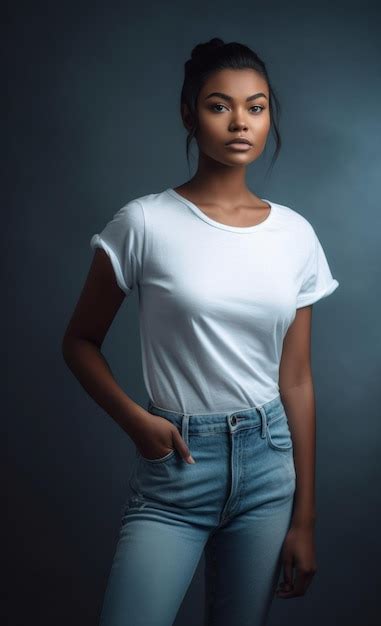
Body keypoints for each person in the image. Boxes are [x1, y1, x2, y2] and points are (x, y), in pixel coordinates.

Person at [62, 37, 340, 626]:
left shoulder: (295, 235)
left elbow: (296, 378)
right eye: (220, 105)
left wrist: (306, 520)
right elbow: (79, 341)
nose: (240, 122)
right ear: (189, 113)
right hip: (177, 466)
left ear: (268, 116)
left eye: (256, 107)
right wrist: (137, 422)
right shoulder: (144, 222)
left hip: (269, 467)